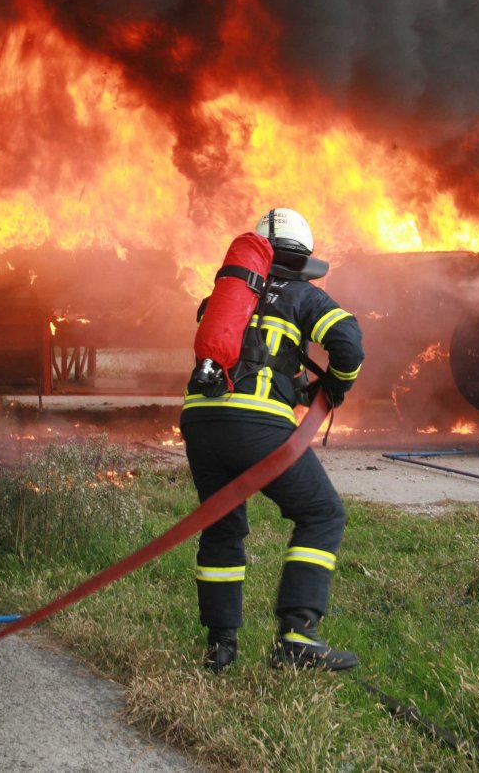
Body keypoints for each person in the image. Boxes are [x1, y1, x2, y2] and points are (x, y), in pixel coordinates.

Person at [180, 207, 364, 673]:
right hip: (254, 424)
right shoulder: (304, 295)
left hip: (200, 421)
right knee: (322, 513)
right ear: (303, 260)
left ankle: (221, 648)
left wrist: (298, 387)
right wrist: (336, 387)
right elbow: (349, 344)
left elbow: (255, 358)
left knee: (222, 526)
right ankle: (298, 635)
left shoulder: (222, 299)